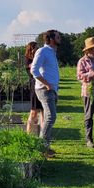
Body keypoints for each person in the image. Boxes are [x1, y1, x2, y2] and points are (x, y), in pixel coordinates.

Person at [30, 29, 61, 158]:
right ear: (51, 39)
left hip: (51, 89)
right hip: (44, 89)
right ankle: (42, 147)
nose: (60, 39)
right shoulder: (42, 51)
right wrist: (47, 84)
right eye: (58, 37)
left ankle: (45, 147)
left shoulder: (52, 52)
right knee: (50, 117)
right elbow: (34, 70)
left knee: (50, 117)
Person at [24, 41, 44, 136]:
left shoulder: (40, 58)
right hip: (35, 86)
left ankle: (44, 135)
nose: (37, 49)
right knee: (33, 112)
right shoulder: (28, 60)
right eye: (36, 48)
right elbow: (32, 72)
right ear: (31, 49)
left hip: (43, 86)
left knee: (44, 112)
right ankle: (29, 134)